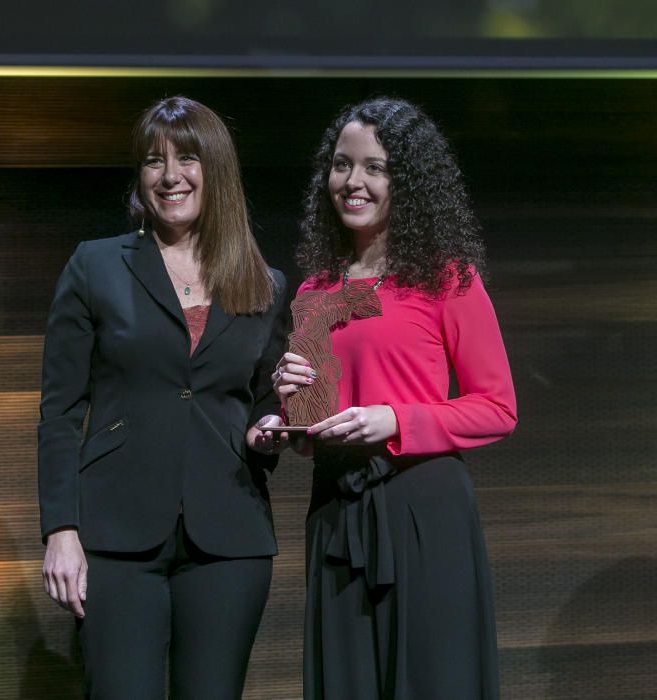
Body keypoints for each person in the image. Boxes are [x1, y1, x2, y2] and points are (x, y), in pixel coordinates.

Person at [38, 96, 290, 699]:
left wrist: (270, 427)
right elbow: (59, 410)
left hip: (228, 537)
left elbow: (264, 401)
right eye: (154, 161)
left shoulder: (265, 283)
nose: (170, 175)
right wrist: (61, 529)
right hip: (116, 535)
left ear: (217, 171)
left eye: (187, 158)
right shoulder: (96, 265)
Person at [273, 96, 517, 699]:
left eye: (374, 167)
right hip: (336, 509)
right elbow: (316, 427)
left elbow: (498, 407)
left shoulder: (447, 278)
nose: (352, 182)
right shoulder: (314, 289)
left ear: (405, 180)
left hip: (423, 512)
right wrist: (291, 407)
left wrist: (394, 419)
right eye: (341, 164)